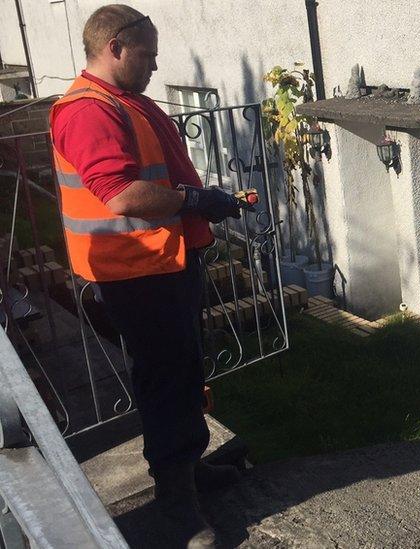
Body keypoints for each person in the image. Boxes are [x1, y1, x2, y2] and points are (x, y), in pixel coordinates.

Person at [50, 5, 244, 547]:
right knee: (163, 381)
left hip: (163, 263)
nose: (156, 65)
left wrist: (198, 207)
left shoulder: (126, 102)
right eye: (148, 53)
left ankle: (188, 467)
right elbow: (122, 194)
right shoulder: (89, 111)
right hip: (136, 274)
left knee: (182, 372)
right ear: (115, 46)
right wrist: (197, 200)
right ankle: (176, 503)